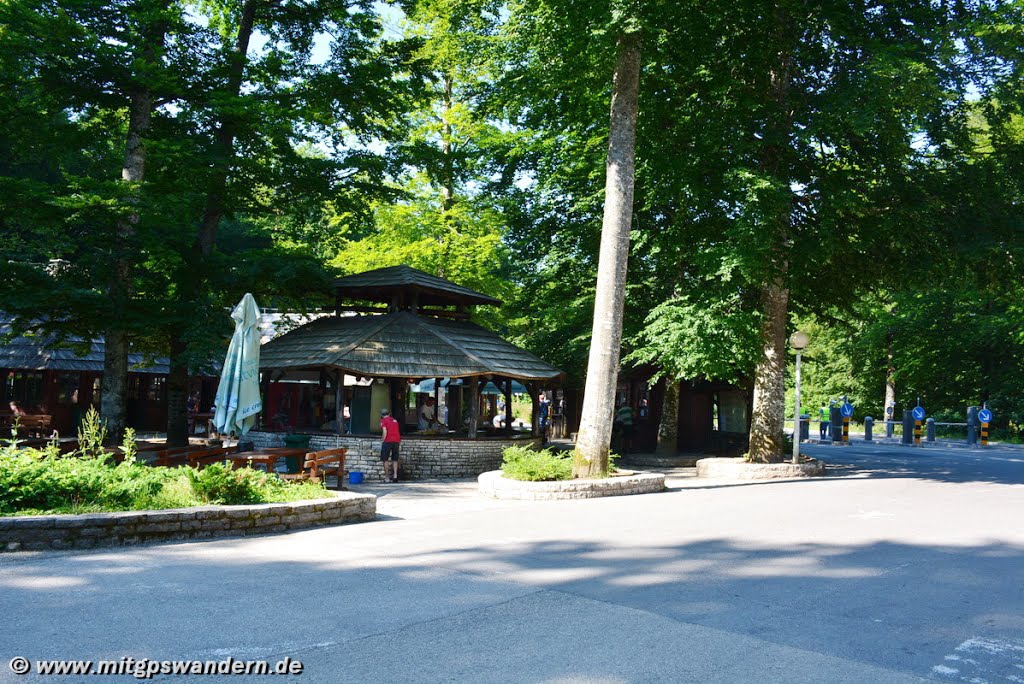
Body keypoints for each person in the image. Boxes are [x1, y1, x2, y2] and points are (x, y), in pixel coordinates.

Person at [380, 408, 401, 482]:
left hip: (388, 441)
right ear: (389, 414)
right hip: (396, 441)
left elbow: (385, 432)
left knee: (385, 459)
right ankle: (395, 476)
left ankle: (387, 478)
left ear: (382, 415)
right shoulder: (395, 420)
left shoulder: (383, 421)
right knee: (395, 459)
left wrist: (382, 439)